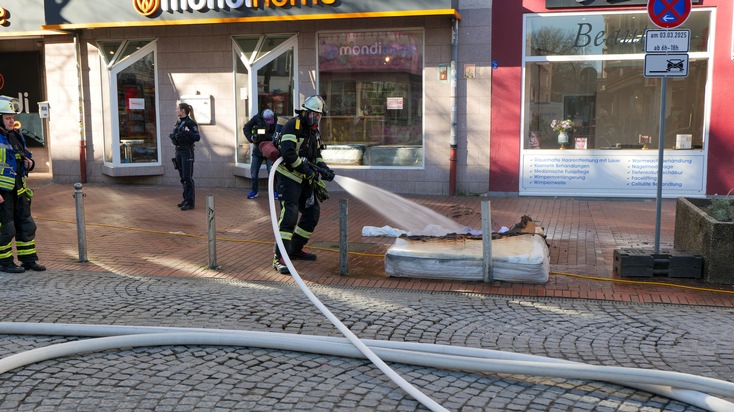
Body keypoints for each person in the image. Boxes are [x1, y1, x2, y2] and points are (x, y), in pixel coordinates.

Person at [272, 95, 335, 275]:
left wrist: (324, 169)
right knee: (289, 215)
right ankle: (279, 257)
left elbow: (316, 156)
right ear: (305, 112)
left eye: (319, 116)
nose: (316, 119)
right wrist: (307, 171)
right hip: (288, 178)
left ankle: (294, 250)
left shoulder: (313, 131)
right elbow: (289, 153)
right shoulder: (292, 126)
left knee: (311, 213)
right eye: (313, 115)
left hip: (304, 179)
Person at [0, 97, 45, 273]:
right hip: (3, 193)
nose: (11, 120)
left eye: (12, 117)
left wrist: (30, 163)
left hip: (19, 190)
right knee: (6, 228)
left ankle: (28, 260)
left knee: (26, 226)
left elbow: (26, 156)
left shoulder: (16, 136)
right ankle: (4, 262)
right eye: (7, 117)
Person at [170, 102, 200, 211]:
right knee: (183, 178)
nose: (176, 111)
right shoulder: (178, 123)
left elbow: (197, 137)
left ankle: (190, 202)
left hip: (187, 152)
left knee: (187, 178)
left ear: (183, 110)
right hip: (178, 151)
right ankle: (186, 199)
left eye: (178, 109)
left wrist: (188, 133)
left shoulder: (190, 123)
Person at [243, 108, 278, 199]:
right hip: (258, 149)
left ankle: (274, 191)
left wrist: (265, 136)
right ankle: (254, 191)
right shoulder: (257, 118)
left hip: (270, 148)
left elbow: (277, 133)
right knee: (254, 171)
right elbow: (246, 127)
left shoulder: (275, 119)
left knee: (272, 171)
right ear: (263, 119)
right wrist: (251, 137)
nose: (269, 123)